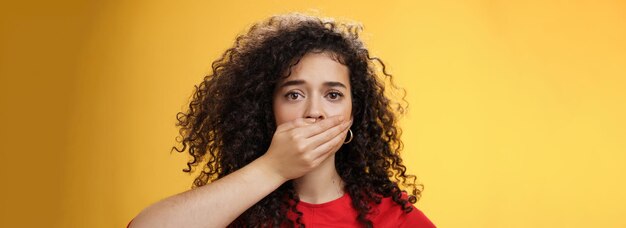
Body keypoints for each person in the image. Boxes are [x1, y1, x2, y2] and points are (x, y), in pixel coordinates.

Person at [129, 13, 436, 228]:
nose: (314, 111)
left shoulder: (392, 217)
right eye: (294, 95)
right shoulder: (234, 211)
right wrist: (273, 167)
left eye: (333, 95)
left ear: (354, 113)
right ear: (268, 109)